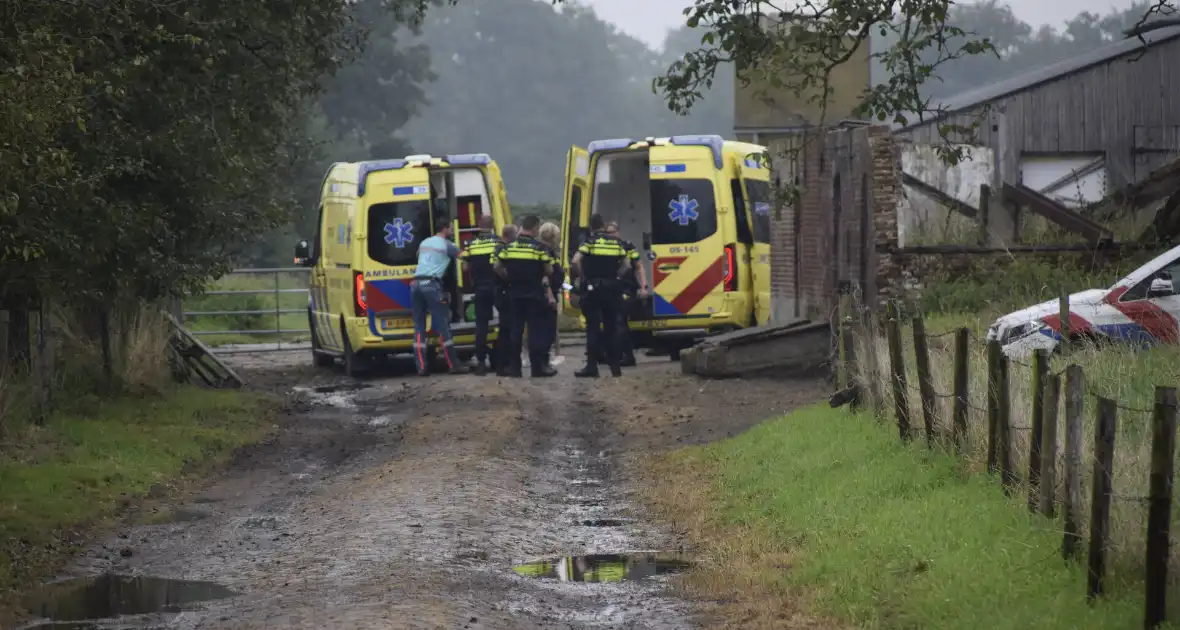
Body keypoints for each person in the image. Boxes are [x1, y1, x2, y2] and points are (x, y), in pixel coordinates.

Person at [492, 215, 558, 378]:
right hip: (534, 294)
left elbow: (497, 267)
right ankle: (537, 368)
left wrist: (508, 277)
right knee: (535, 331)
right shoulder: (539, 248)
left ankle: (515, 368)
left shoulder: (508, 247)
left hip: (514, 293)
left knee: (516, 331)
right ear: (535, 228)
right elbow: (549, 271)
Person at [571, 214, 629, 378]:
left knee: (593, 328)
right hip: (612, 289)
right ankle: (615, 368)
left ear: (591, 227)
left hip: (593, 289)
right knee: (612, 328)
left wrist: (582, 276)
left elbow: (575, 261)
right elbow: (627, 264)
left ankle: (591, 367)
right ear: (603, 225)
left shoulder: (590, 242)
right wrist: (617, 276)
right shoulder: (615, 242)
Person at [411, 211, 462, 376]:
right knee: (442, 325)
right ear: (445, 229)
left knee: (419, 326)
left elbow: (419, 256)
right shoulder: (447, 244)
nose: (453, 232)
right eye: (451, 229)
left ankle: (421, 367)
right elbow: (463, 256)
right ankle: (453, 365)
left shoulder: (425, 242)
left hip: (416, 284)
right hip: (431, 285)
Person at [458, 215, 500, 375]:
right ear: (492, 226)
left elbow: (465, 269)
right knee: (505, 322)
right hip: (496, 287)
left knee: (481, 325)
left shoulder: (471, 245)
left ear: (478, 225)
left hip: (480, 287)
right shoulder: (497, 242)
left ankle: (481, 362)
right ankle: (502, 360)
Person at [605, 221, 647, 367]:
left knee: (620, 322)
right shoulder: (604, 247)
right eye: (608, 233)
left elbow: (639, 267)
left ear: (618, 232)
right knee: (614, 323)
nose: (611, 235)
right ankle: (616, 354)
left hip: (627, 288)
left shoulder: (627, 247)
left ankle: (628, 356)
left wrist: (643, 287)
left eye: (613, 232)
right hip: (611, 289)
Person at [537, 222, 564, 369]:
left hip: (540, 292)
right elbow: (548, 274)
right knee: (550, 325)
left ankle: (531, 355)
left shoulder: (538, 247)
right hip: (549, 292)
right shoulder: (548, 251)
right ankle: (550, 356)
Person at [491, 224, 518, 372]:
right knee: (507, 329)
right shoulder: (503, 249)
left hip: (498, 291)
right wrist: (508, 278)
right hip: (503, 292)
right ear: (510, 236)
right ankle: (504, 364)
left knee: (505, 329)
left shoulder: (497, 247)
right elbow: (497, 267)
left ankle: (502, 363)